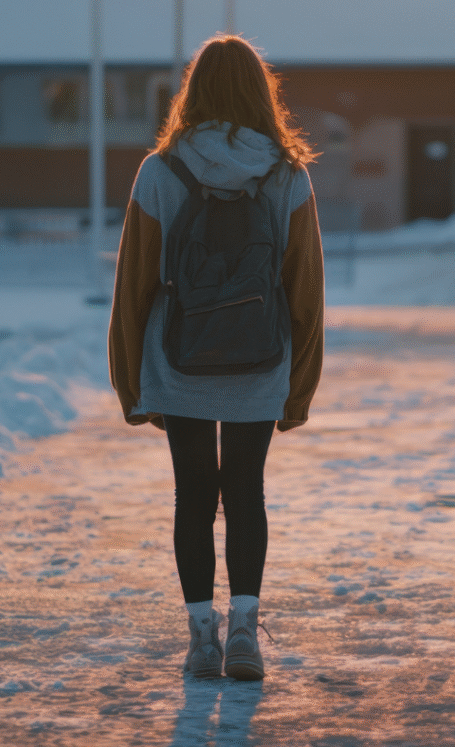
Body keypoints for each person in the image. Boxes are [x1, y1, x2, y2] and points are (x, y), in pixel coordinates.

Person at [108, 35, 324, 680]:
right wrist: (300, 386)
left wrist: (131, 381)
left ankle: (202, 638)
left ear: (192, 90)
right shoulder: (287, 174)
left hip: (180, 362)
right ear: (264, 93)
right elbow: (304, 286)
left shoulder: (161, 171)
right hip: (261, 361)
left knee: (193, 494)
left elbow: (134, 283)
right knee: (247, 491)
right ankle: (245, 636)